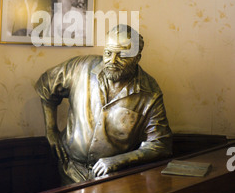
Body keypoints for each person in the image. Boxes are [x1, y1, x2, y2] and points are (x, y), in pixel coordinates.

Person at [35, 24, 172, 183]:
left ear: (137, 58)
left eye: (122, 55)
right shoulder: (81, 67)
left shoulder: (150, 93)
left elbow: (160, 144)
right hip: (69, 170)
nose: (112, 61)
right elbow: (46, 85)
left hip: (114, 178)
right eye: (108, 53)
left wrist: (118, 161)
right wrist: (51, 130)